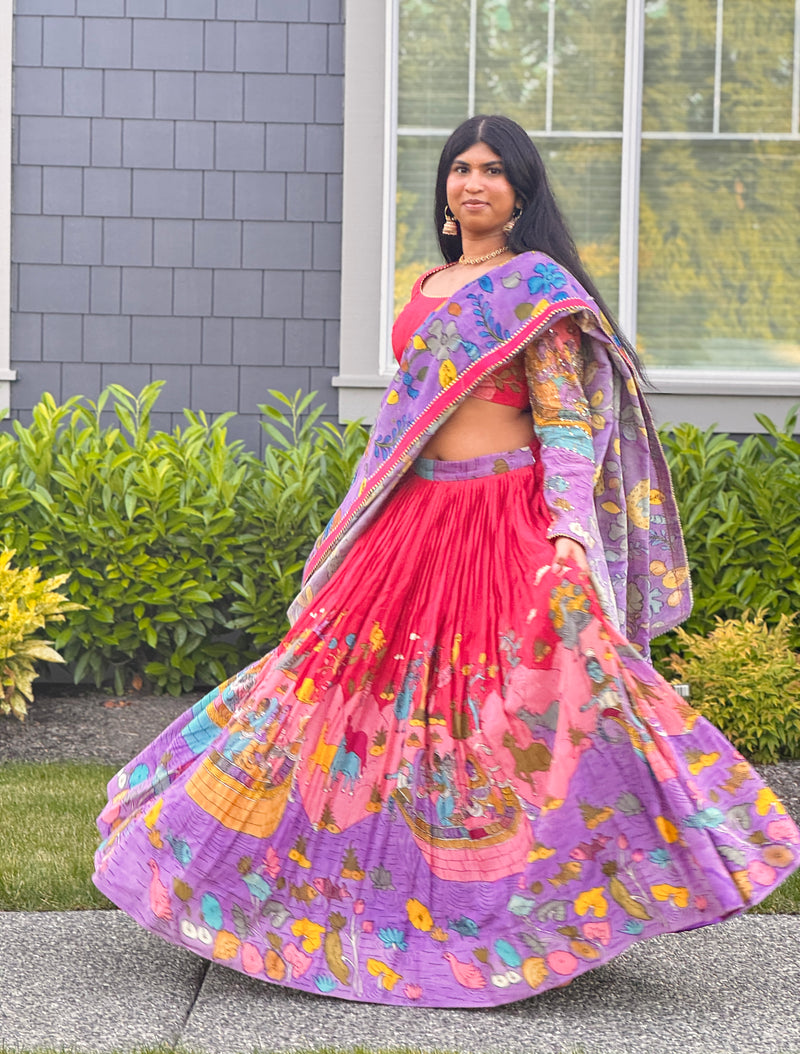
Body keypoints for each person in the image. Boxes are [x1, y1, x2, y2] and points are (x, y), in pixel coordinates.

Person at [94, 115, 800, 1008]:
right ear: (445, 188)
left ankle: (528, 912)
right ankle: (297, 892)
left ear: (521, 191)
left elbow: (566, 423)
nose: (474, 183)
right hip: (413, 525)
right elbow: (409, 416)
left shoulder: (533, 289)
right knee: (328, 697)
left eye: (494, 171)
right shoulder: (425, 284)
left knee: (515, 717)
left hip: (502, 522)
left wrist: (570, 532)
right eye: (460, 168)